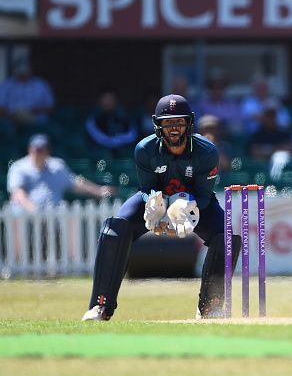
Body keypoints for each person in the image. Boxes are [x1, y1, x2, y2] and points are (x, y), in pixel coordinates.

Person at [82, 94, 240, 321]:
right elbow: (146, 188)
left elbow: (205, 195)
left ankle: (210, 307)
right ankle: (100, 306)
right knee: (114, 229)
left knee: (226, 235)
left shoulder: (207, 151)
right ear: (158, 124)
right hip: (156, 199)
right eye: (168, 123)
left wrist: (187, 205)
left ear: (189, 123)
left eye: (178, 122)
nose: (174, 128)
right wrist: (154, 204)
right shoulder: (144, 149)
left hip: (193, 201)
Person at [7, 134, 113, 213]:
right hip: (26, 220)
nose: (38, 152)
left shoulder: (57, 165)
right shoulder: (18, 167)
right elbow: (18, 194)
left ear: (48, 151)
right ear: (29, 149)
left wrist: (98, 190)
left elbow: (75, 182)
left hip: (54, 220)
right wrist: (36, 212)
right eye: (36, 149)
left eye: (41, 149)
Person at [0, 57, 54, 126]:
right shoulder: (6, 85)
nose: (23, 73)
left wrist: (34, 111)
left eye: (26, 70)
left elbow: (50, 106)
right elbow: (1, 107)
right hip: (12, 120)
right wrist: (11, 115)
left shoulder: (41, 84)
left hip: (37, 119)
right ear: (15, 71)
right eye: (20, 71)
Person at [85, 88, 138, 157]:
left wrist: (117, 141)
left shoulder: (125, 117)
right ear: (99, 101)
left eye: (110, 99)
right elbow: (98, 138)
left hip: (123, 151)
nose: (107, 102)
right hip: (100, 153)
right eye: (105, 99)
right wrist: (112, 142)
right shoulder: (93, 119)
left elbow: (132, 135)